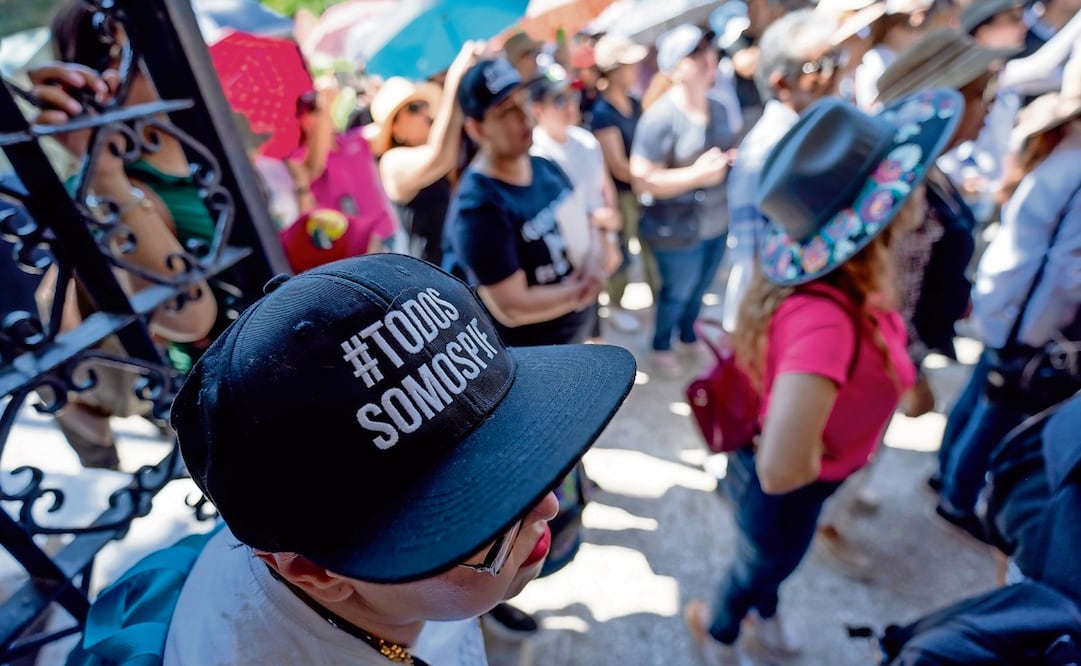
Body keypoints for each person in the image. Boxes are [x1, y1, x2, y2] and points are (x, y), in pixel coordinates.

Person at [162, 253, 635, 664]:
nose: (549, 503)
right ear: (318, 573)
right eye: (480, 519)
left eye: (531, 451)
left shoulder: (385, 598)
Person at [683, 89, 962, 666]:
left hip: (808, 489)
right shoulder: (826, 319)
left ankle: (764, 608)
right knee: (759, 564)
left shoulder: (859, 286)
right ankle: (721, 630)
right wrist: (827, 460)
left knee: (774, 561)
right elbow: (783, 467)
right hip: (791, 492)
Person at [935, 56, 1081, 531]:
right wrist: (1045, 328)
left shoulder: (1062, 146)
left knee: (980, 393)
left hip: (1008, 300)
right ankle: (957, 497)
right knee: (996, 413)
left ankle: (945, 474)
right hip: (1028, 315)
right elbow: (1067, 270)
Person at [444, 58, 606, 348]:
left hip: (576, 333)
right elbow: (512, 306)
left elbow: (584, 224)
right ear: (477, 129)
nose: (523, 115)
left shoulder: (545, 167)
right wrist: (582, 291)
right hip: (537, 358)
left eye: (522, 99)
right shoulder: (478, 207)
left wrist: (595, 258)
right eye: (505, 110)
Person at [721, 8, 842, 330]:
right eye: (820, 66)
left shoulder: (811, 129)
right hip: (781, 318)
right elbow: (753, 259)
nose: (835, 74)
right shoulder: (765, 152)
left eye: (837, 58)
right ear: (782, 82)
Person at [630, 24, 736, 377]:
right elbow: (642, 178)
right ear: (674, 69)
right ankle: (661, 343)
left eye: (710, 50)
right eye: (696, 53)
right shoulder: (659, 118)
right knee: (676, 292)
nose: (709, 58)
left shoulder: (719, 108)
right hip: (675, 230)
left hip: (716, 221)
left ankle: (688, 335)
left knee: (701, 288)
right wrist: (697, 175)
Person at [528, 64, 622, 338]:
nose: (569, 105)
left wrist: (610, 237)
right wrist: (597, 221)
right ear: (538, 110)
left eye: (573, 96)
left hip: (597, 244)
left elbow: (604, 191)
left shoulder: (586, 140)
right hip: (565, 261)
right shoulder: (536, 157)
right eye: (559, 99)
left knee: (595, 316)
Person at [366, 44, 479, 266]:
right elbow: (439, 158)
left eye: (425, 105)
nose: (426, 113)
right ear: (395, 128)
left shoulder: (443, 148)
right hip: (434, 278)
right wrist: (454, 81)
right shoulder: (391, 162)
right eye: (415, 108)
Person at [590, 33, 654, 323]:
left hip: (641, 186)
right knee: (623, 251)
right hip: (621, 195)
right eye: (628, 65)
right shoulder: (602, 113)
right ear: (613, 70)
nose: (634, 70)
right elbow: (617, 165)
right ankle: (615, 306)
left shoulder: (635, 101)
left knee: (650, 243)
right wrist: (654, 178)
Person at [852, 0, 934, 109]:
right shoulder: (876, 57)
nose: (914, 36)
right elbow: (873, 102)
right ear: (896, 28)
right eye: (909, 29)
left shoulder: (889, 56)